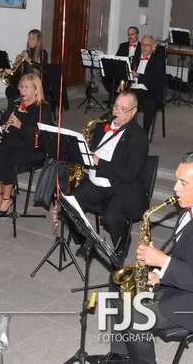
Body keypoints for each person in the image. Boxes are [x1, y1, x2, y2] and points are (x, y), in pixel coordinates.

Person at [118, 151, 193, 363]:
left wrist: (162, 261)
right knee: (118, 290)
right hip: (186, 281)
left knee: (135, 317)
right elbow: (187, 253)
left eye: (183, 183)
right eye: (177, 180)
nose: (175, 188)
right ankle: (122, 354)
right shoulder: (191, 206)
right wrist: (159, 274)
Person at [72, 91, 148, 259]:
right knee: (70, 205)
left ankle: (122, 245)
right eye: (115, 106)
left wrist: (100, 163)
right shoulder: (102, 126)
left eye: (123, 108)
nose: (116, 111)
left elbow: (130, 174)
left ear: (134, 112)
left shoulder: (138, 137)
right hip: (95, 182)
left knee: (111, 217)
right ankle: (87, 240)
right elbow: (92, 151)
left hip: (120, 187)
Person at [0, 73, 53, 214]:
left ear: (36, 90)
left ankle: (7, 198)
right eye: (21, 87)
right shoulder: (16, 103)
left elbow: (41, 134)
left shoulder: (43, 108)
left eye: (27, 88)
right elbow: (3, 120)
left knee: (6, 159)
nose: (23, 91)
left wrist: (20, 125)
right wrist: (3, 125)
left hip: (33, 147)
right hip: (12, 142)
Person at [130, 35, 166, 137]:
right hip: (135, 89)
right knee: (123, 98)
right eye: (142, 45)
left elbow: (155, 79)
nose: (144, 47)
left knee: (149, 103)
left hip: (151, 91)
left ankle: (144, 135)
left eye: (148, 45)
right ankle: (127, 129)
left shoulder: (158, 60)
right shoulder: (136, 57)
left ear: (153, 47)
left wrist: (138, 75)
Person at [5, 29, 48, 105]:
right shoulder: (26, 52)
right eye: (29, 38)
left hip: (36, 82)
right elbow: (22, 72)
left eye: (33, 39)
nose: (30, 41)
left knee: (18, 92)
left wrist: (29, 60)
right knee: (9, 89)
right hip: (26, 80)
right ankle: (14, 111)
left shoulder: (43, 53)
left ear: (38, 41)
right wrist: (13, 68)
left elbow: (43, 69)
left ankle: (22, 110)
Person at [102, 26, 142, 95]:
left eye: (132, 34)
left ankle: (120, 96)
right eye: (128, 35)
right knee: (105, 77)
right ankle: (115, 95)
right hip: (122, 71)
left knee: (123, 81)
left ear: (137, 35)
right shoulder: (123, 45)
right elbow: (117, 60)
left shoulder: (142, 47)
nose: (130, 36)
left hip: (133, 72)